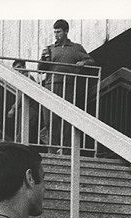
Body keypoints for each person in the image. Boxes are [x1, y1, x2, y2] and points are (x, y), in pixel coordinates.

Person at [37, 19, 95, 151]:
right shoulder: (50, 49)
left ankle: (66, 151)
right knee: (50, 120)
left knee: (67, 119)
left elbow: (91, 60)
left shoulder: (76, 48)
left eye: (59, 32)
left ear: (66, 31)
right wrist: (43, 59)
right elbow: (40, 69)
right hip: (51, 85)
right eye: (55, 32)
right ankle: (53, 150)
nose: (56, 35)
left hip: (68, 86)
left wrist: (83, 63)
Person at [7, 60, 41, 146]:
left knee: (23, 134)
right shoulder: (25, 77)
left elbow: (21, 95)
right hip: (28, 109)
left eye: (19, 67)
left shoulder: (26, 77)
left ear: (24, 67)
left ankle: (18, 149)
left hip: (30, 109)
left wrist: (13, 108)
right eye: (15, 69)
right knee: (25, 134)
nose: (17, 70)